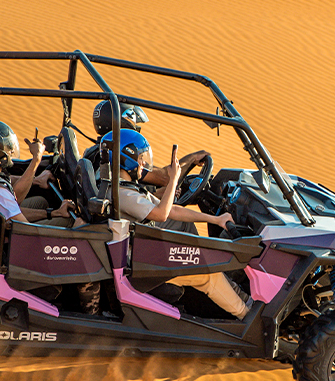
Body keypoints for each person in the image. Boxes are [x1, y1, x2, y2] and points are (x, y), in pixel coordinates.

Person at [100, 129, 249, 318]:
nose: (143, 163)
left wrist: (216, 220)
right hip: (141, 265)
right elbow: (162, 214)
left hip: (145, 255)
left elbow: (173, 211)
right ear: (126, 159)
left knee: (206, 262)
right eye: (140, 158)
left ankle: (242, 298)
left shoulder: (126, 188)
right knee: (208, 273)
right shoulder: (123, 193)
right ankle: (248, 317)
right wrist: (173, 180)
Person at [0, 120, 74, 226]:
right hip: (16, 234)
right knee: (70, 222)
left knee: (40, 202)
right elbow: (25, 229)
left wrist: (53, 213)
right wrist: (36, 158)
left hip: (3, 219)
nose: (11, 152)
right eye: (8, 147)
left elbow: (10, 205)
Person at [86, 101, 209, 188]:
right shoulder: (118, 155)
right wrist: (192, 158)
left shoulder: (98, 151)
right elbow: (166, 178)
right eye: (133, 123)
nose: (136, 128)